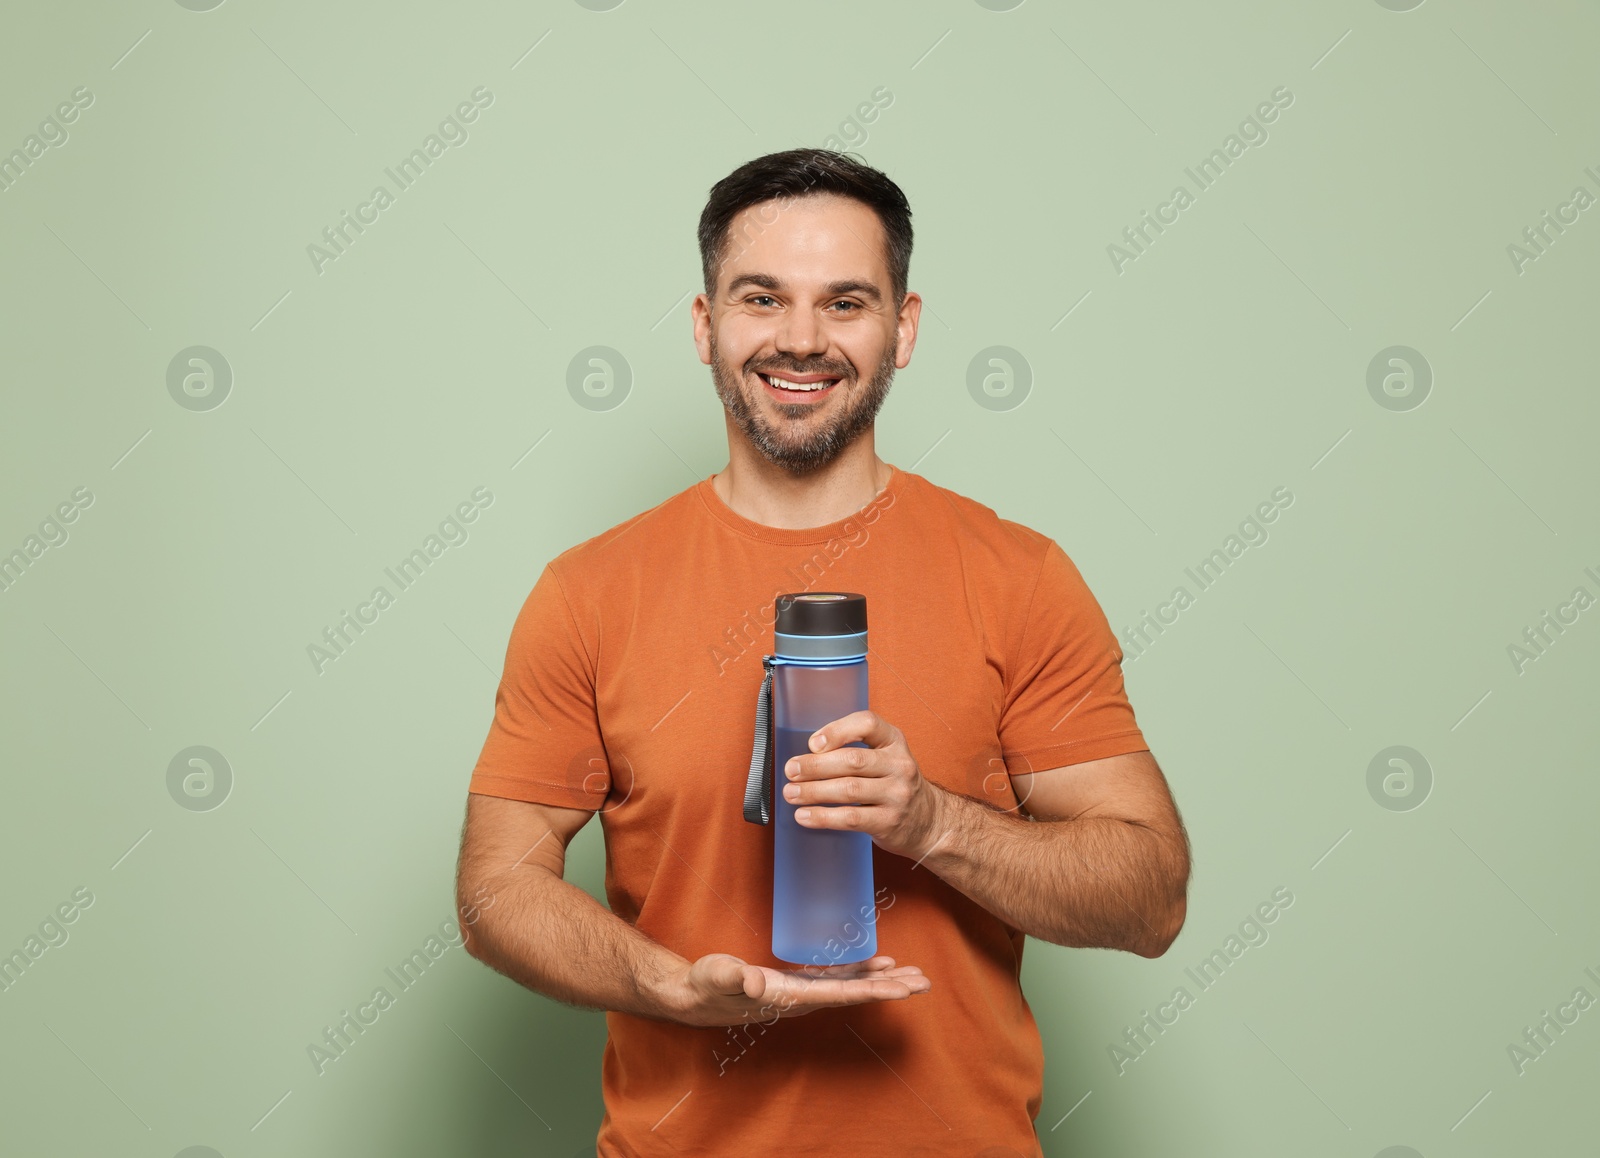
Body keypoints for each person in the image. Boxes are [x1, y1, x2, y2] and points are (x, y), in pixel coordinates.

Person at [455, 148, 1191, 1158]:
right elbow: (496, 890)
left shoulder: (1017, 578)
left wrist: (932, 822)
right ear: (707, 324)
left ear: (905, 328)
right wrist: (666, 983)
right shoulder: (589, 594)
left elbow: (1150, 899)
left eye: (846, 303)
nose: (801, 341)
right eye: (763, 299)